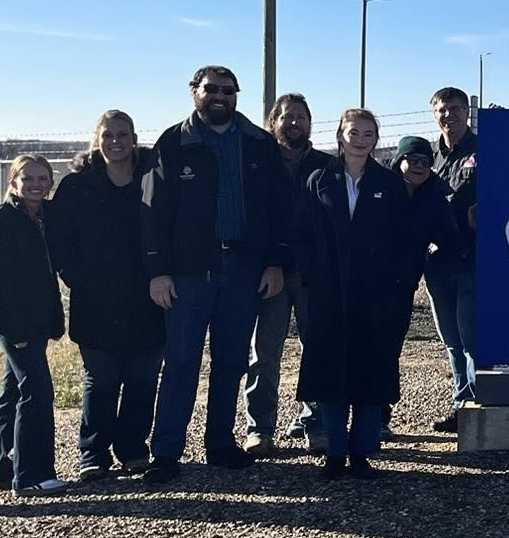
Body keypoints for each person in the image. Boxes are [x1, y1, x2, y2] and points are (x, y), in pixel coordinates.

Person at [141, 65, 294, 484]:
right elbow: (154, 212)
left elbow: (279, 209)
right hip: (188, 273)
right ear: (194, 92)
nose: (220, 97)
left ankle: (221, 443)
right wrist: (158, 271)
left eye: (228, 90)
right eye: (212, 89)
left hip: (243, 269)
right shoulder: (174, 142)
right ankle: (166, 451)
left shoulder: (259, 143)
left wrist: (275, 262)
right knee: (181, 362)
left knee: (231, 362)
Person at [49, 111, 165, 481]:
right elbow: (59, 239)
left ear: (134, 138)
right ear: (96, 140)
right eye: (108, 135)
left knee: (142, 380)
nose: (116, 142)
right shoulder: (77, 185)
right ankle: (93, 454)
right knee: (101, 380)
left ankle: (133, 449)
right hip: (96, 300)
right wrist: (76, 278)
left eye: (123, 134)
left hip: (148, 297)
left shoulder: (153, 178)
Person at [295, 109, 409, 479]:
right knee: (330, 376)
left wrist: (394, 281)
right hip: (329, 294)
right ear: (340, 136)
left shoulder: (388, 183)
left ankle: (362, 452)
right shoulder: (318, 180)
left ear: (376, 139)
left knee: (369, 373)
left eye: (368, 134)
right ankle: (334, 451)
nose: (360, 140)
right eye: (353, 132)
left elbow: (402, 238)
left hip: (374, 295)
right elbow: (303, 232)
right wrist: (312, 271)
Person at [243, 93, 331, 456]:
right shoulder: (258, 164)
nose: (294, 123)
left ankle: (317, 423)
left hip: (313, 274)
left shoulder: (327, 166)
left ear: (310, 123)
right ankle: (259, 428)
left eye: (301, 117)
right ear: (273, 123)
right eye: (287, 117)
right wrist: (268, 263)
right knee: (264, 354)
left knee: (320, 350)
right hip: (270, 273)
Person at [0, 155, 70, 497]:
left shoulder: (44, 217)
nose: (36, 184)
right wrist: (14, 330)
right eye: (27, 178)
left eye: (43, 178)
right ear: (13, 182)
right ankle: (32, 475)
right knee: (37, 392)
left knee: (13, 391)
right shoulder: (2, 221)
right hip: (15, 323)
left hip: (37, 318)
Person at [393, 135, 458, 427]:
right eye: (413, 160)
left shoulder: (434, 196)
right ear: (399, 161)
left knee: (390, 350)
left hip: (404, 284)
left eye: (425, 161)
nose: (419, 166)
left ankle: (379, 417)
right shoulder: (381, 189)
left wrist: (436, 249)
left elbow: (448, 237)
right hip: (369, 283)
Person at [426, 86, 479, 431]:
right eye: (443, 110)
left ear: (467, 112)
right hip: (436, 262)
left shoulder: (486, 150)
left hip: (472, 258)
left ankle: (477, 405)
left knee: (471, 336)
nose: (449, 115)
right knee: (451, 339)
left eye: (456, 108)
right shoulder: (427, 157)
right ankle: (461, 403)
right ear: (435, 115)